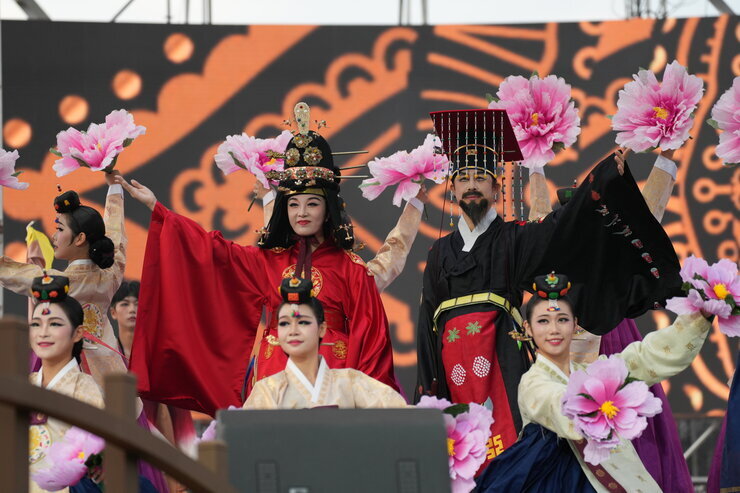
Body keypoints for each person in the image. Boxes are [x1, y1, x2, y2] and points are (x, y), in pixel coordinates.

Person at [416, 108, 683, 466]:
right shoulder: (438, 253)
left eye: (481, 177)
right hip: (452, 367)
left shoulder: (514, 239)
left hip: (502, 359)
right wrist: (427, 392)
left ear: (496, 188)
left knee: (509, 458)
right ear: (452, 190)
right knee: (460, 457)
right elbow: (426, 326)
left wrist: (603, 179)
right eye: (463, 179)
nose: (472, 185)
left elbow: (564, 227)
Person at [120, 102, 398, 416]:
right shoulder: (268, 261)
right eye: (293, 205)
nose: (302, 213)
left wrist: (365, 406)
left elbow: (372, 341)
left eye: (312, 204)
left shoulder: (352, 268)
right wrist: (158, 210)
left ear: (328, 209)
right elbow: (212, 251)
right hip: (273, 372)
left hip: (332, 376)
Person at [475, 272, 713, 492]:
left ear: (575, 325)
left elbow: (644, 357)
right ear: (527, 328)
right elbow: (556, 402)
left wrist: (699, 317)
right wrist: (603, 400)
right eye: (543, 321)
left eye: (562, 319)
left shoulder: (592, 374)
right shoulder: (533, 382)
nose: (554, 330)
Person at [558, 149, 693, 492]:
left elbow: (650, 213)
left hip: (614, 342)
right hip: (564, 349)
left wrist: (666, 157)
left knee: (629, 438)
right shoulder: (551, 254)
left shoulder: (613, 248)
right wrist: (532, 165)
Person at [0, 171, 127, 386]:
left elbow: (11, 273)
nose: (54, 236)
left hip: (71, 373)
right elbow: (116, 233)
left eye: (59, 229)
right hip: (112, 373)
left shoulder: (59, 283)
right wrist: (114, 188)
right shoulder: (111, 273)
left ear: (80, 238)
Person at [243, 277, 407, 409]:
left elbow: (399, 416)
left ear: (322, 329)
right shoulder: (267, 390)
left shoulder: (352, 383)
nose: (293, 331)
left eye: (303, 322)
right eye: (284, 323)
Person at [28, 274, 104, 493]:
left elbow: (93, 459)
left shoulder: (88, 391)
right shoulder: (24, 385)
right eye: (36, 324)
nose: (43, 332)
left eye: (54, 324)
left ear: (78, 333)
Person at [110, 281, 139, 359]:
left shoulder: (157, 352)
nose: (132, 310)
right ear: (113, 312)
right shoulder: (106, 354)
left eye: (138, 304)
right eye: (125, 304)